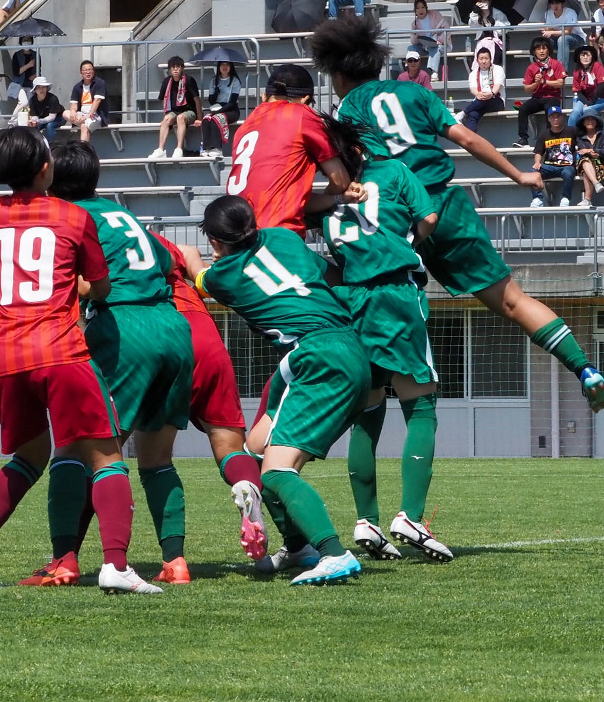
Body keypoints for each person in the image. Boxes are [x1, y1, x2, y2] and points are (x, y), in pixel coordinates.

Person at [310, 16, 604, 415]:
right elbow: (467, 138)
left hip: (392, 217)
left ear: (339, 71)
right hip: (445, 207)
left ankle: (369, 397)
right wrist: (519, 174)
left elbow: (346, 175)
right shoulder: (413, 92)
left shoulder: (347, 110)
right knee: (512, 301)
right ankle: (586, 369)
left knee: (368, 302)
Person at [0, 127, 158, 595]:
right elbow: (100, 285)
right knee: (106, 456)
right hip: (61, 351)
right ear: (45, 167)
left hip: (3, 358)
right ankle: (116, 565)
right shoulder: (71, 215)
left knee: (29, 455)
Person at [194, 195, 371, 586]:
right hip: (340, 347)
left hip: (317, 357)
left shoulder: (224, 276)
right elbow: (323, 274)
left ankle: (333, 553)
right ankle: (297, 547)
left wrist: (187, 255)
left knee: (276, 472)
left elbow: (199, 274)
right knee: (255, 455)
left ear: (217, 242)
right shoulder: (284, 238)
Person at [48, 141, 196, 584]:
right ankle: (176, 561)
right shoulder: (122, 213)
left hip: (124, 328)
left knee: (78, 448)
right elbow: (172, 259)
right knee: (157, 458)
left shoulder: (72, 219)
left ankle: (65, 560)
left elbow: (89, 284)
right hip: (172, 326)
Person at [310, 122, 451, 562]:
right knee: (421, 402)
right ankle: (409, 514)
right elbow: (428, 218)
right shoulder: (390, 172)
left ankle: (366, 520)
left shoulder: (317, 198)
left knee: (368, 409)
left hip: (351, 297)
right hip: (393, 292)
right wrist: (404, 239)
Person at [153, 231, 268, 562]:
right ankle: (247, 486)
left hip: (159, 334)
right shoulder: (181, 248)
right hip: (205, 337)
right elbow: (205, 284)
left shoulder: (108, 249)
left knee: (144, 458)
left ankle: (173, 560)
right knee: (230, 448)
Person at [224, 64, 357, 234]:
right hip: (276, 235)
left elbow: (282, 194)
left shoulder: (245, 127)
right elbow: (340, 180)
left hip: (236, 237)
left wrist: (336, 199)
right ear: (305, 100)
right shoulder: (300, 113)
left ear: (264, 96)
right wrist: (335, 194)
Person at [515, 37, 564, 147]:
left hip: (553, 96)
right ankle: (523, 139)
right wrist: (536, 83)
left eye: (544, 48)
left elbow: (561, 83)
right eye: (538, 49)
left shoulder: (556, 64)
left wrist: (544, 81)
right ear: (534, 51)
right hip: (537, 97)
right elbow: (527, 89)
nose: (541, 51)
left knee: (550, 109)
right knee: (523, 109)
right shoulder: (532, 68)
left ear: (548, 50)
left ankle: (551, 138)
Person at [150, 56, 199, 160]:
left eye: (178, 67)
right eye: (173, 67)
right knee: (166, 119)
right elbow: (163, 99)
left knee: (180, 118)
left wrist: (199, 118)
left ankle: (179, 149)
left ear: (182, 68)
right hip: (174, 111)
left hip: (189, 111)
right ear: (169, 70)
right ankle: (160, 150)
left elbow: (196, 100)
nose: (175, 69)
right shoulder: (167, 82)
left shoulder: (189, 80)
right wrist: (167, 115)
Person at [531, 106, 577, 209]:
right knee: (533, 171)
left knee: (568, 172)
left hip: (567, 166)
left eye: (557, 117)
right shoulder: (544, 134)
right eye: (552, 117)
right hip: (549, 167)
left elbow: (583, 140)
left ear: (562, 117)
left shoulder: (571, 131)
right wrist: (537, 162)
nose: (555, 119)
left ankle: (565, 198)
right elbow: (538, 152)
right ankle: (537, 199)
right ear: (548, 119)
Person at [202, 59, 242, 158]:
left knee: (217, 119)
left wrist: (219, 112)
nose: (224, 67)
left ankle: (217, 148)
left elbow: (233, 102)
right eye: (222, 64)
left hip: (231, 109)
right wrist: (216, 92)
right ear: (218, 67)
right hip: (216, 108)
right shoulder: (213, 81)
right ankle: (206, 148)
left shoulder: (235, 81)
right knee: (206, 119)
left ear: (230, 66)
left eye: (227, 64)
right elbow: (211, 100)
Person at [461, 46, 505, 132]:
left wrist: (491, 94)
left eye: (486, 58)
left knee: (484, 99)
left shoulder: (498, 69)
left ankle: (463, 113)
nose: (484, 61)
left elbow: (497, 86)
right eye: (481, 59)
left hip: (496, 100)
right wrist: (478, 94)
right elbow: (473, 89)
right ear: (477, 60)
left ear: (490, 59)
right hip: (479, 101)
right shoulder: (473, 74)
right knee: (473, 115)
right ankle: (471, 141)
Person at [574, 113, 604, 208]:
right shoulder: (580, 138)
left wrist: (594, 151)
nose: (590, 121)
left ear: (596, 122)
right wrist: (590, 154)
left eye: (592, 119)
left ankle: (587, 199)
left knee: (585, 168)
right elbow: (581, 152)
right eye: (587, 119)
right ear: (583, 123)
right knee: (585, 161)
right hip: (587, 164)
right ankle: (596, 183)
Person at [533, 0, 583, 66]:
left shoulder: (570, 12)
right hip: (558, 39)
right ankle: (541, 68)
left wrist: (551, 32)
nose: (555, 6)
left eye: (557, 3)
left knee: (562, 39)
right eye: (552, 3)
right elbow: (550, 30)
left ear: (562, 4)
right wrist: (546, 30)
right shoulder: (548, 13)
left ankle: (561, 70)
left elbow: (568, 31)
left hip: (576, 38)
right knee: (542, 41)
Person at [568, 45, 604, 128]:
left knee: (587, 110)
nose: (585, 57)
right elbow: (578, 91)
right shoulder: (577, 72)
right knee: (575, 112)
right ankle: (570, 137)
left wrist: (591, 103)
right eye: (583, 55)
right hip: (586, 99)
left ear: (592, 57)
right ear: (579, 58)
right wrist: (586, 102)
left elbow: (602, 85)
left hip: (602, 99)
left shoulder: (597, 66)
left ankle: (599, 133)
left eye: (588, 55)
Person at [66, 59, 108, 143]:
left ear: (93, 71)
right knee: (65, 113)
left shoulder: (100, 83)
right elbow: (74, 104)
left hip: (95, 115)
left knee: (84, 126)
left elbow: (97, 101)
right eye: (85, 70)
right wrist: (73, 112)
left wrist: (88, 115)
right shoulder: (77, 87)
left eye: (90, 69)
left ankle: (83, 152)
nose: (88, 72)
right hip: (82, 115)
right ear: (81, 72)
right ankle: (82, 121)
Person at [407, 0, 450, 80]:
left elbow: (447, 29)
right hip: (424, 46)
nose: (420, 10)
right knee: (411, 48)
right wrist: (415, 33)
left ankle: (434, 72)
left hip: (439, 44)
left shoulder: (435, 15)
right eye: (418, 8)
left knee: (435, 48)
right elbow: (414, 42)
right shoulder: (415, 23)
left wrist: (440, 40)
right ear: (415, 11)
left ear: (426, 8)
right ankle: (411, 71)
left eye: (423, 7)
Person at [26, 77, 65, 143]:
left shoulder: (53, 98)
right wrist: (34, 121)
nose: (41, 89)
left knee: (49, 126)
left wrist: (39, 121)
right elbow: (34, 116)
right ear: (35, 90)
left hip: (58, 118)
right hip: (42, 119)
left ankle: (52, 146)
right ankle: (34, 145)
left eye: (43, 87)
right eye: (38, 87)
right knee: (33, 128)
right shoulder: (32, 100)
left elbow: (52, 117)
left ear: (47, 88)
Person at [6, 36, 37, 104]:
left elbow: (38, 70)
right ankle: (13, 115)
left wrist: (35, 75)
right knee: (24, 102)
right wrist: (28, 65)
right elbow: (16, 72)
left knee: (31, 104)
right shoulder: (17, 55)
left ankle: (21, 115)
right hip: (19, 84)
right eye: (24, 40)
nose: (26, 41)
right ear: (21, 42)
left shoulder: (36, 55)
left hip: (31, 85)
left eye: (28, 39)